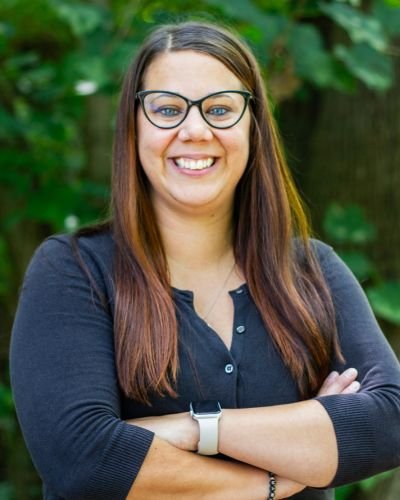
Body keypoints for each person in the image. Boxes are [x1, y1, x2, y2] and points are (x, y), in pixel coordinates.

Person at [10, 21, 400, 500]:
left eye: (219, 109)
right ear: (133, 130)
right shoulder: (74, 271)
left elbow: (390, 422)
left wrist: (195, 430)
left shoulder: (312, 271)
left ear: (253, 128)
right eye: (168, 109)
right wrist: (279, 476)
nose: (194, 131)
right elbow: (84, 460)